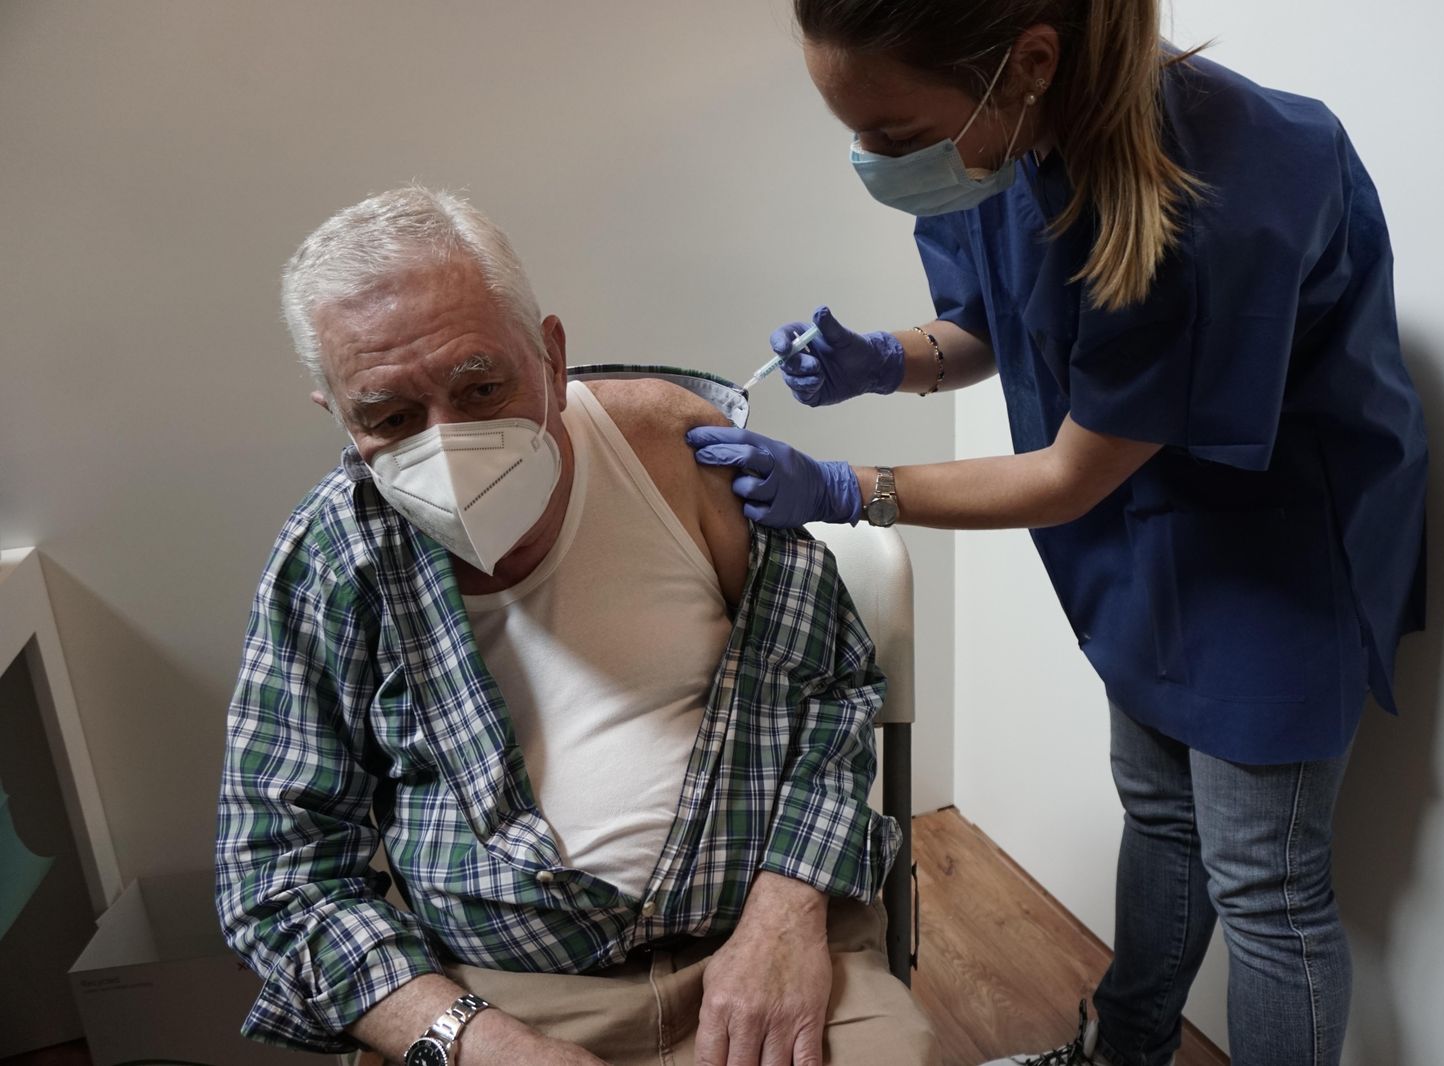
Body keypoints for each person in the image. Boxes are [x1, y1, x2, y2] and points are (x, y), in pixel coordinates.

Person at [686, 3, 1428, 1065]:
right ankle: (1122, 1050)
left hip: (1278, 547)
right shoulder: (1001, 136)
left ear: (1028, 63)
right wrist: (883, 360)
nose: (874, 159)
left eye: (894, 134)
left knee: (1265, 885)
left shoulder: (1226, 185)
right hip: (1142, 535)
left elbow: (1072, 474)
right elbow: (989, 321)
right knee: (1159, 811)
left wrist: (847, 489)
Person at [215, 187, 936, 1066]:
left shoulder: (675, 450)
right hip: (496, 990)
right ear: (338, 415)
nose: (449, 448)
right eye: (392, 418)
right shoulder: (334, 557)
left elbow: (829, 687)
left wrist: (787, 914)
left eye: (482, 387)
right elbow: (279, 875)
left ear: (552, 357)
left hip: (763, 939)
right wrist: (478, 1042)